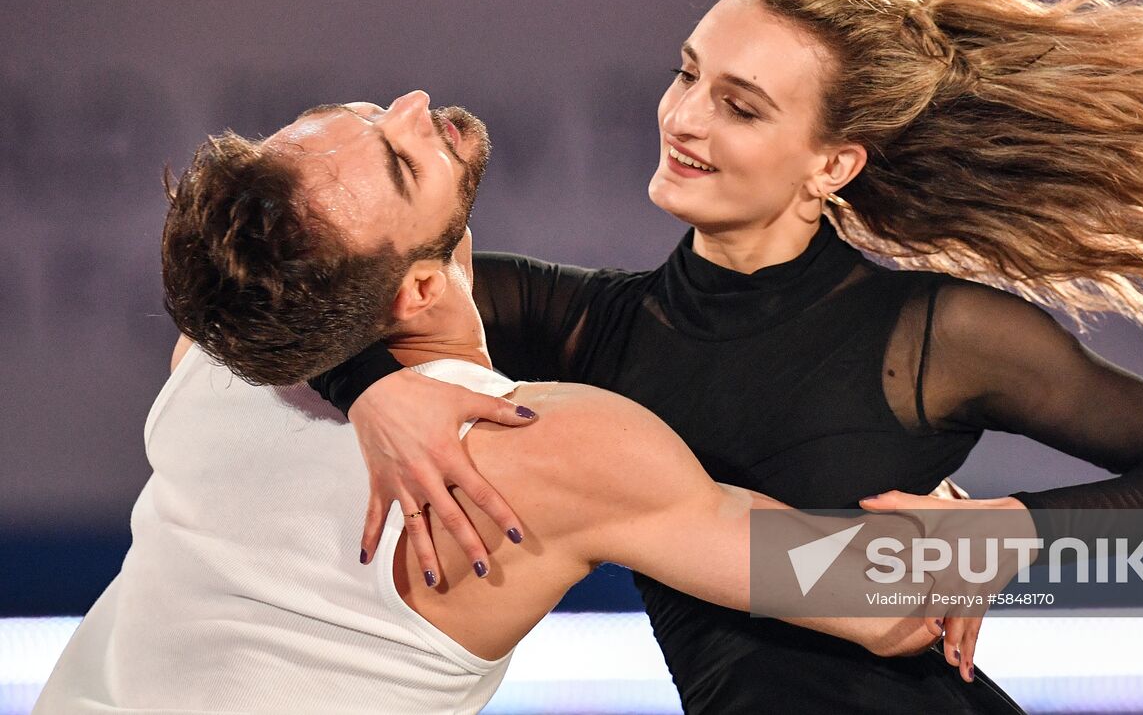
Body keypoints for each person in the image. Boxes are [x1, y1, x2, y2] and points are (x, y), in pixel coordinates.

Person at [316, 0, 1143, 713]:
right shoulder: (581, 324)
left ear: (831, 164)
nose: (683, 118)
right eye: (687, 73)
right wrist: (376, 388)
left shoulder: (929, 334)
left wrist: (1009, 535)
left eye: (739, 104)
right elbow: (295, 295)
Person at [36, 94, 969, 715]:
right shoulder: (535, 448)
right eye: (402, 164)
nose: (410, 106)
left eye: (363, 114)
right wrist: (977, 534)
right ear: (413, 295)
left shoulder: (216, 353)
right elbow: (887, 604)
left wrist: (369, 388)